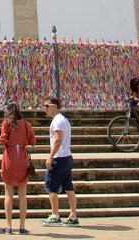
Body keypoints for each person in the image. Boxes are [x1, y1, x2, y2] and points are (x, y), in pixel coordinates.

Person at [41, 96, 78, 227]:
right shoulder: (64, 120)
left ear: (54, 107)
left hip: (60, 158)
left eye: (47, 106)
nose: (45, 109)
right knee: (68, 187)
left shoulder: (58, 121)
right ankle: (73, 216)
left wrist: (50, 156)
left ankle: (55, 215)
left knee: (51, 187)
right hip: (67, 157)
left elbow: (58, 140)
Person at [0, 102, 36, 234]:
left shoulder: (6, 124)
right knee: (22, 194)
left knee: (8, 194)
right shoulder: (26, 124)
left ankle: (8, 226)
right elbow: (33, 141)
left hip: (10, 157)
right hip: (23, 159)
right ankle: (22, 226)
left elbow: (2, 140)